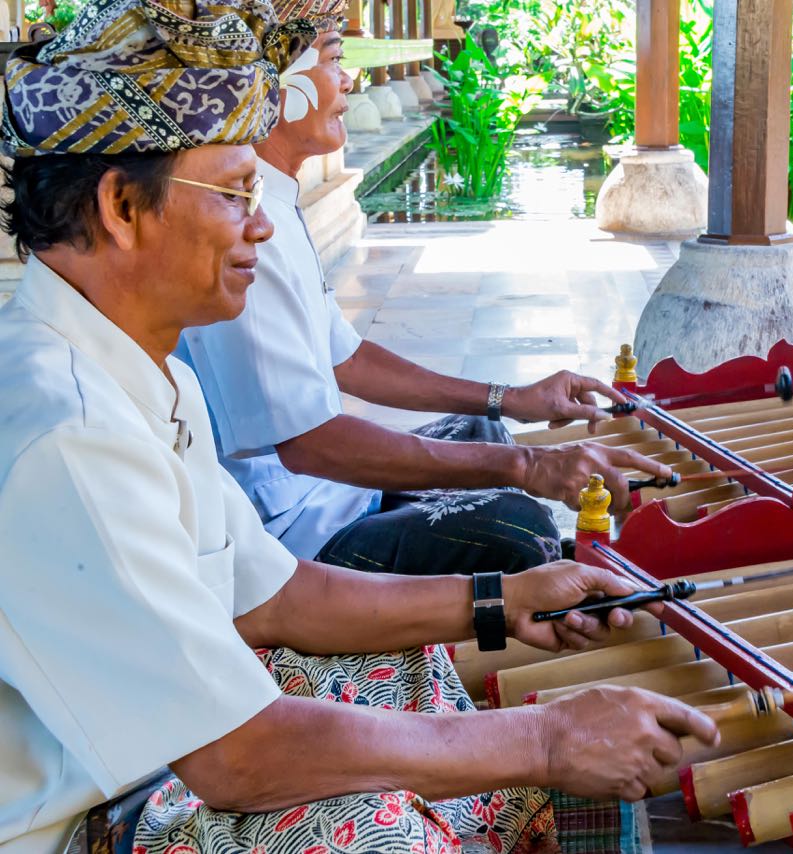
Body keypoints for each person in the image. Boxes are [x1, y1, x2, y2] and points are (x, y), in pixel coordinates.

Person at [0, 3, 716, 852]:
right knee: (379, 830)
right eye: (232, 194)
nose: (259, 220)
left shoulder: (146, 371)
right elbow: (234, 758)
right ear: (121, 207)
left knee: (408, 666)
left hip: (158, 762)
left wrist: (503, 602)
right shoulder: (65, 428)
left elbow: (276, 596)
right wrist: (546, 738)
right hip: (86, 822)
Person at [177, 14, 668, 576]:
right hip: (291, 530)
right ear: (275, 85)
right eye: (335, 59)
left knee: (482, 428)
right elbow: (311, 445)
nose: (350, 81)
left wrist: (510, 398)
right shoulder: (244, 230)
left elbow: (349, 359)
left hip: (330, 492)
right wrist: (530, 465)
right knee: (519, 529)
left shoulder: (276, 201)